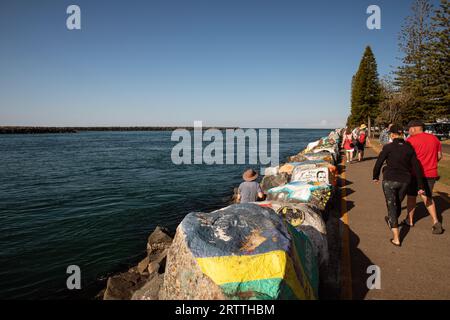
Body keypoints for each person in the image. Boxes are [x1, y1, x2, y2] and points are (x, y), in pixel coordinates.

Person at [373, 125, 425, 246]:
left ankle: (396, 238)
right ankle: (392, 220)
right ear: (402, 134)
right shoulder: (409, 148)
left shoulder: (388, 147)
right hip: (405, 181)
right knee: (397, 203)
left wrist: (375, 176)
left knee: (391, 206)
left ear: (392, 135)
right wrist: (420, 186)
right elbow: (416, 167)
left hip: (389, 180)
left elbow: (379, 162)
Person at [405, 120, 443, 234]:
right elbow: (439, 156)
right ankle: (435, 221)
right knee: (427, 197)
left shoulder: (410, 141)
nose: (408, 131)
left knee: (411, 197)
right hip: (431, 173)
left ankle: (410, 220)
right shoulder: (434, 139)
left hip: (414, 174)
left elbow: (407, 159)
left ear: (414, 128)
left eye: (409, 129)